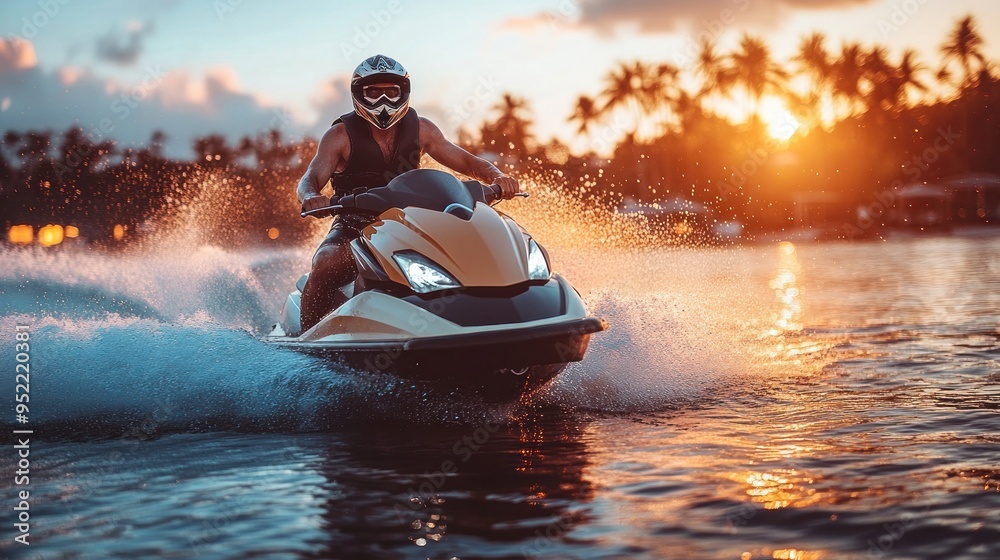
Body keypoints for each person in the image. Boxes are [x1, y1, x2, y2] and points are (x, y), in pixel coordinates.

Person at [296, 54, 520, 332]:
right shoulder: (340, 135)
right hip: (355, 222)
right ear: (358, 94)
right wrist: (309, 197)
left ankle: (487, 316)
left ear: (404, 92)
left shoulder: (422, 129)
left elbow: (468, 162)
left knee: (468, 244)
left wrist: (496, 176)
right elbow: (311, 177)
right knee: (327, 263)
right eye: (374, 92)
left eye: (392, 92)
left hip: (410, 217)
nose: (384, 101)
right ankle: (306, 337)